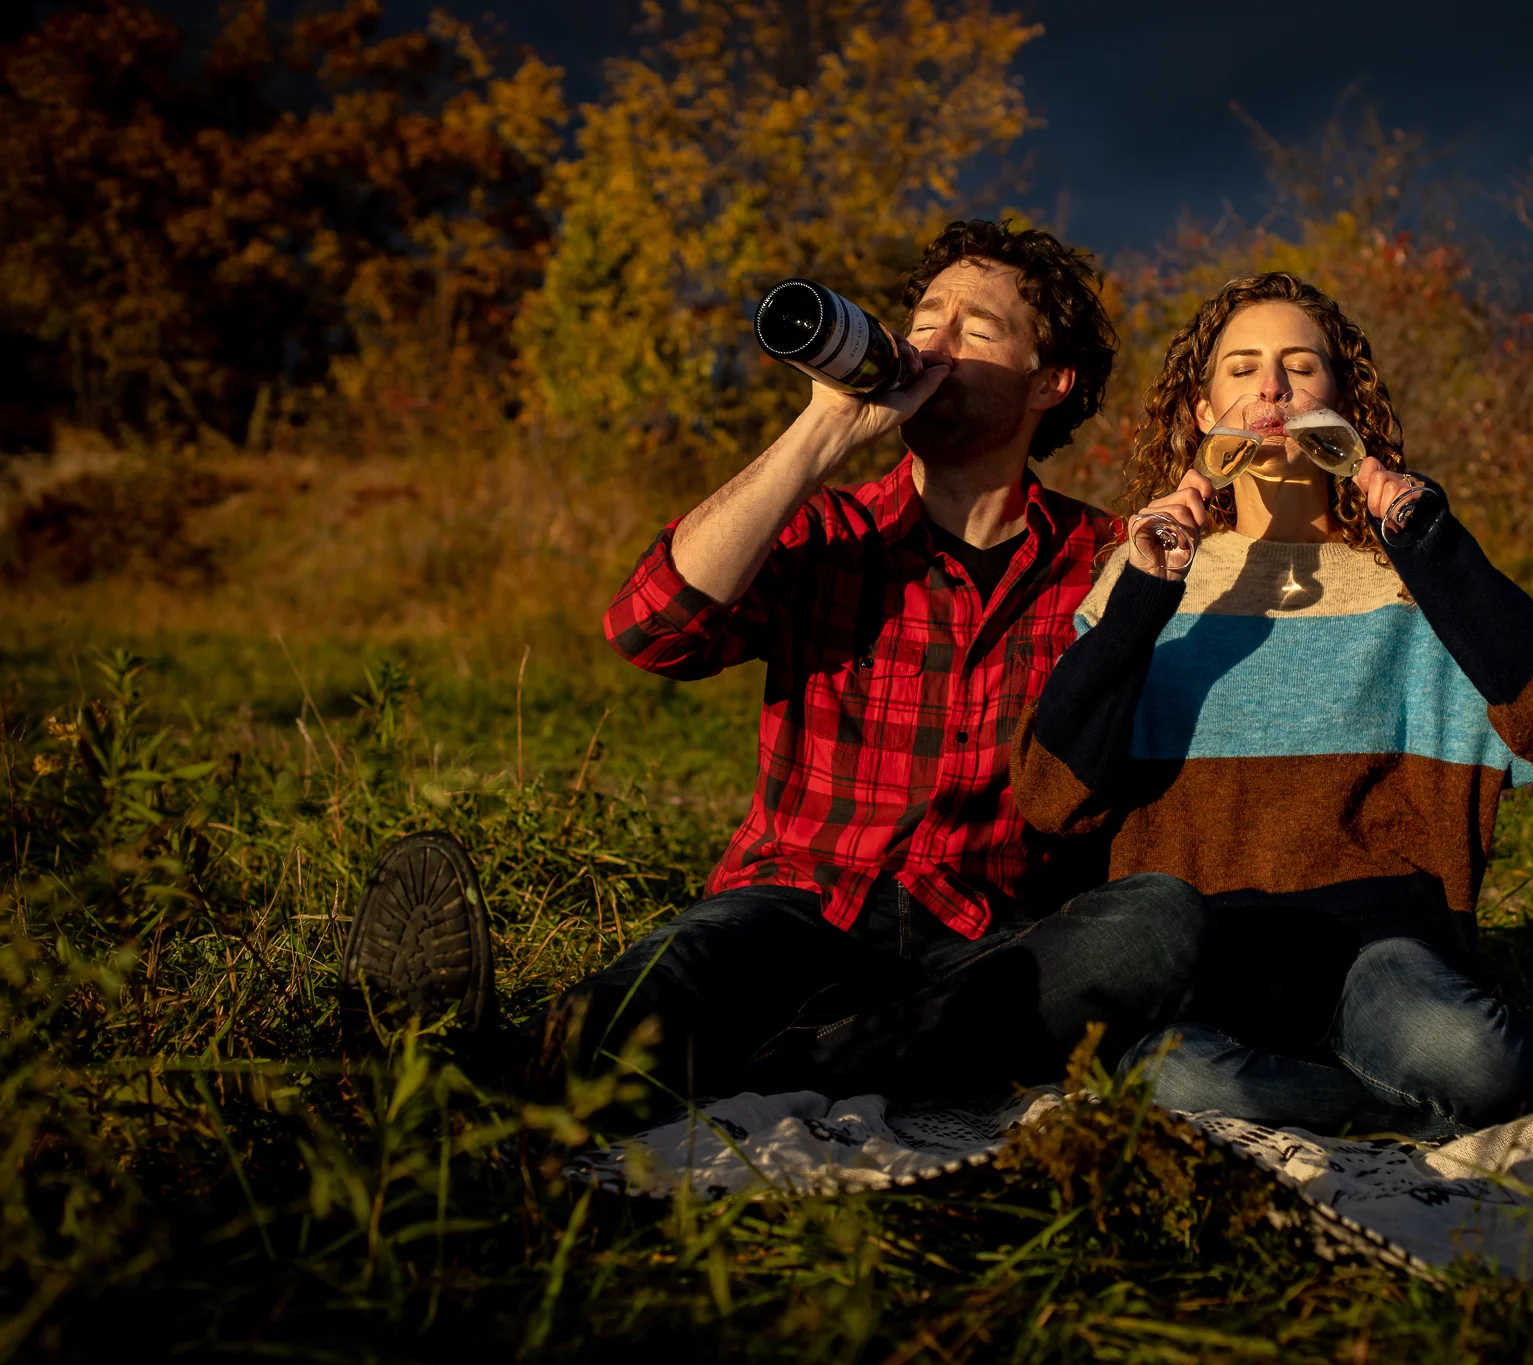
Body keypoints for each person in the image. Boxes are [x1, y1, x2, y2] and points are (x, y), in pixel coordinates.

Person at [342, 220, 1207, 1107]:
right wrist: (820, 432)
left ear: (1049, 382)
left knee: (1151, 924)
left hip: (985, 935)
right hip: (795, 904)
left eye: (974, 329)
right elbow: (649, 631)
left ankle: (809, 1064)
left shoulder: (1105, 559)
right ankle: (470, 1073)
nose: (931, 345)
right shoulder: (828, 529)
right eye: (924, 319)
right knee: (674, 981)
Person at [1009, 272, 1533, 1139]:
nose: (1272, 387)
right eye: (1243, 368)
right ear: (1203, 412)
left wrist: (1433, 547)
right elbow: (1050, 795)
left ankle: (1425, 1091)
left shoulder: (1409, 575)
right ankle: (1406, 1111)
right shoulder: (1142, 573)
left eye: (1301, 366)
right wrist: (1147, 592)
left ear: (1342, 402)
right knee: (1176, 1076)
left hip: (1379, 957)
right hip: (1205, 960)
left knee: (1470, 1056)